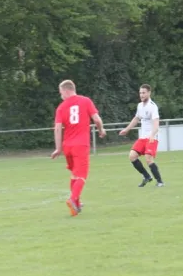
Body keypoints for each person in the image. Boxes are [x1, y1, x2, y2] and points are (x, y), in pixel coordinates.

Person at [51, 80, 106, 216]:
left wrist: (58, 148)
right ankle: (72, 199)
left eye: (61, 93)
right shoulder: (85, 101)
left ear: (66, 90)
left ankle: (77, 202)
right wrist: (101, 130)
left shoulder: (61, 107)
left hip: (67, 146)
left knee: (74, 174)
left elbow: (57, 128)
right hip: (81, 145)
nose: (61, 96)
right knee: (82, 175)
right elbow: (97, 120)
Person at [119, 84, 164, 187]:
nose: (141, 95)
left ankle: (160, 181)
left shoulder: (152, 106)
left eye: (144, 93)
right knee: (132, 156)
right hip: (143, 137)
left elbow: (156, 122)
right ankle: (146, 176)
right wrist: (127, 129)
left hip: (152, 137)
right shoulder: (140, 106)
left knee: (148, 158)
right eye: (140, 93)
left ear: (149, 93)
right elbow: (136, 119)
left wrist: (152, 134)